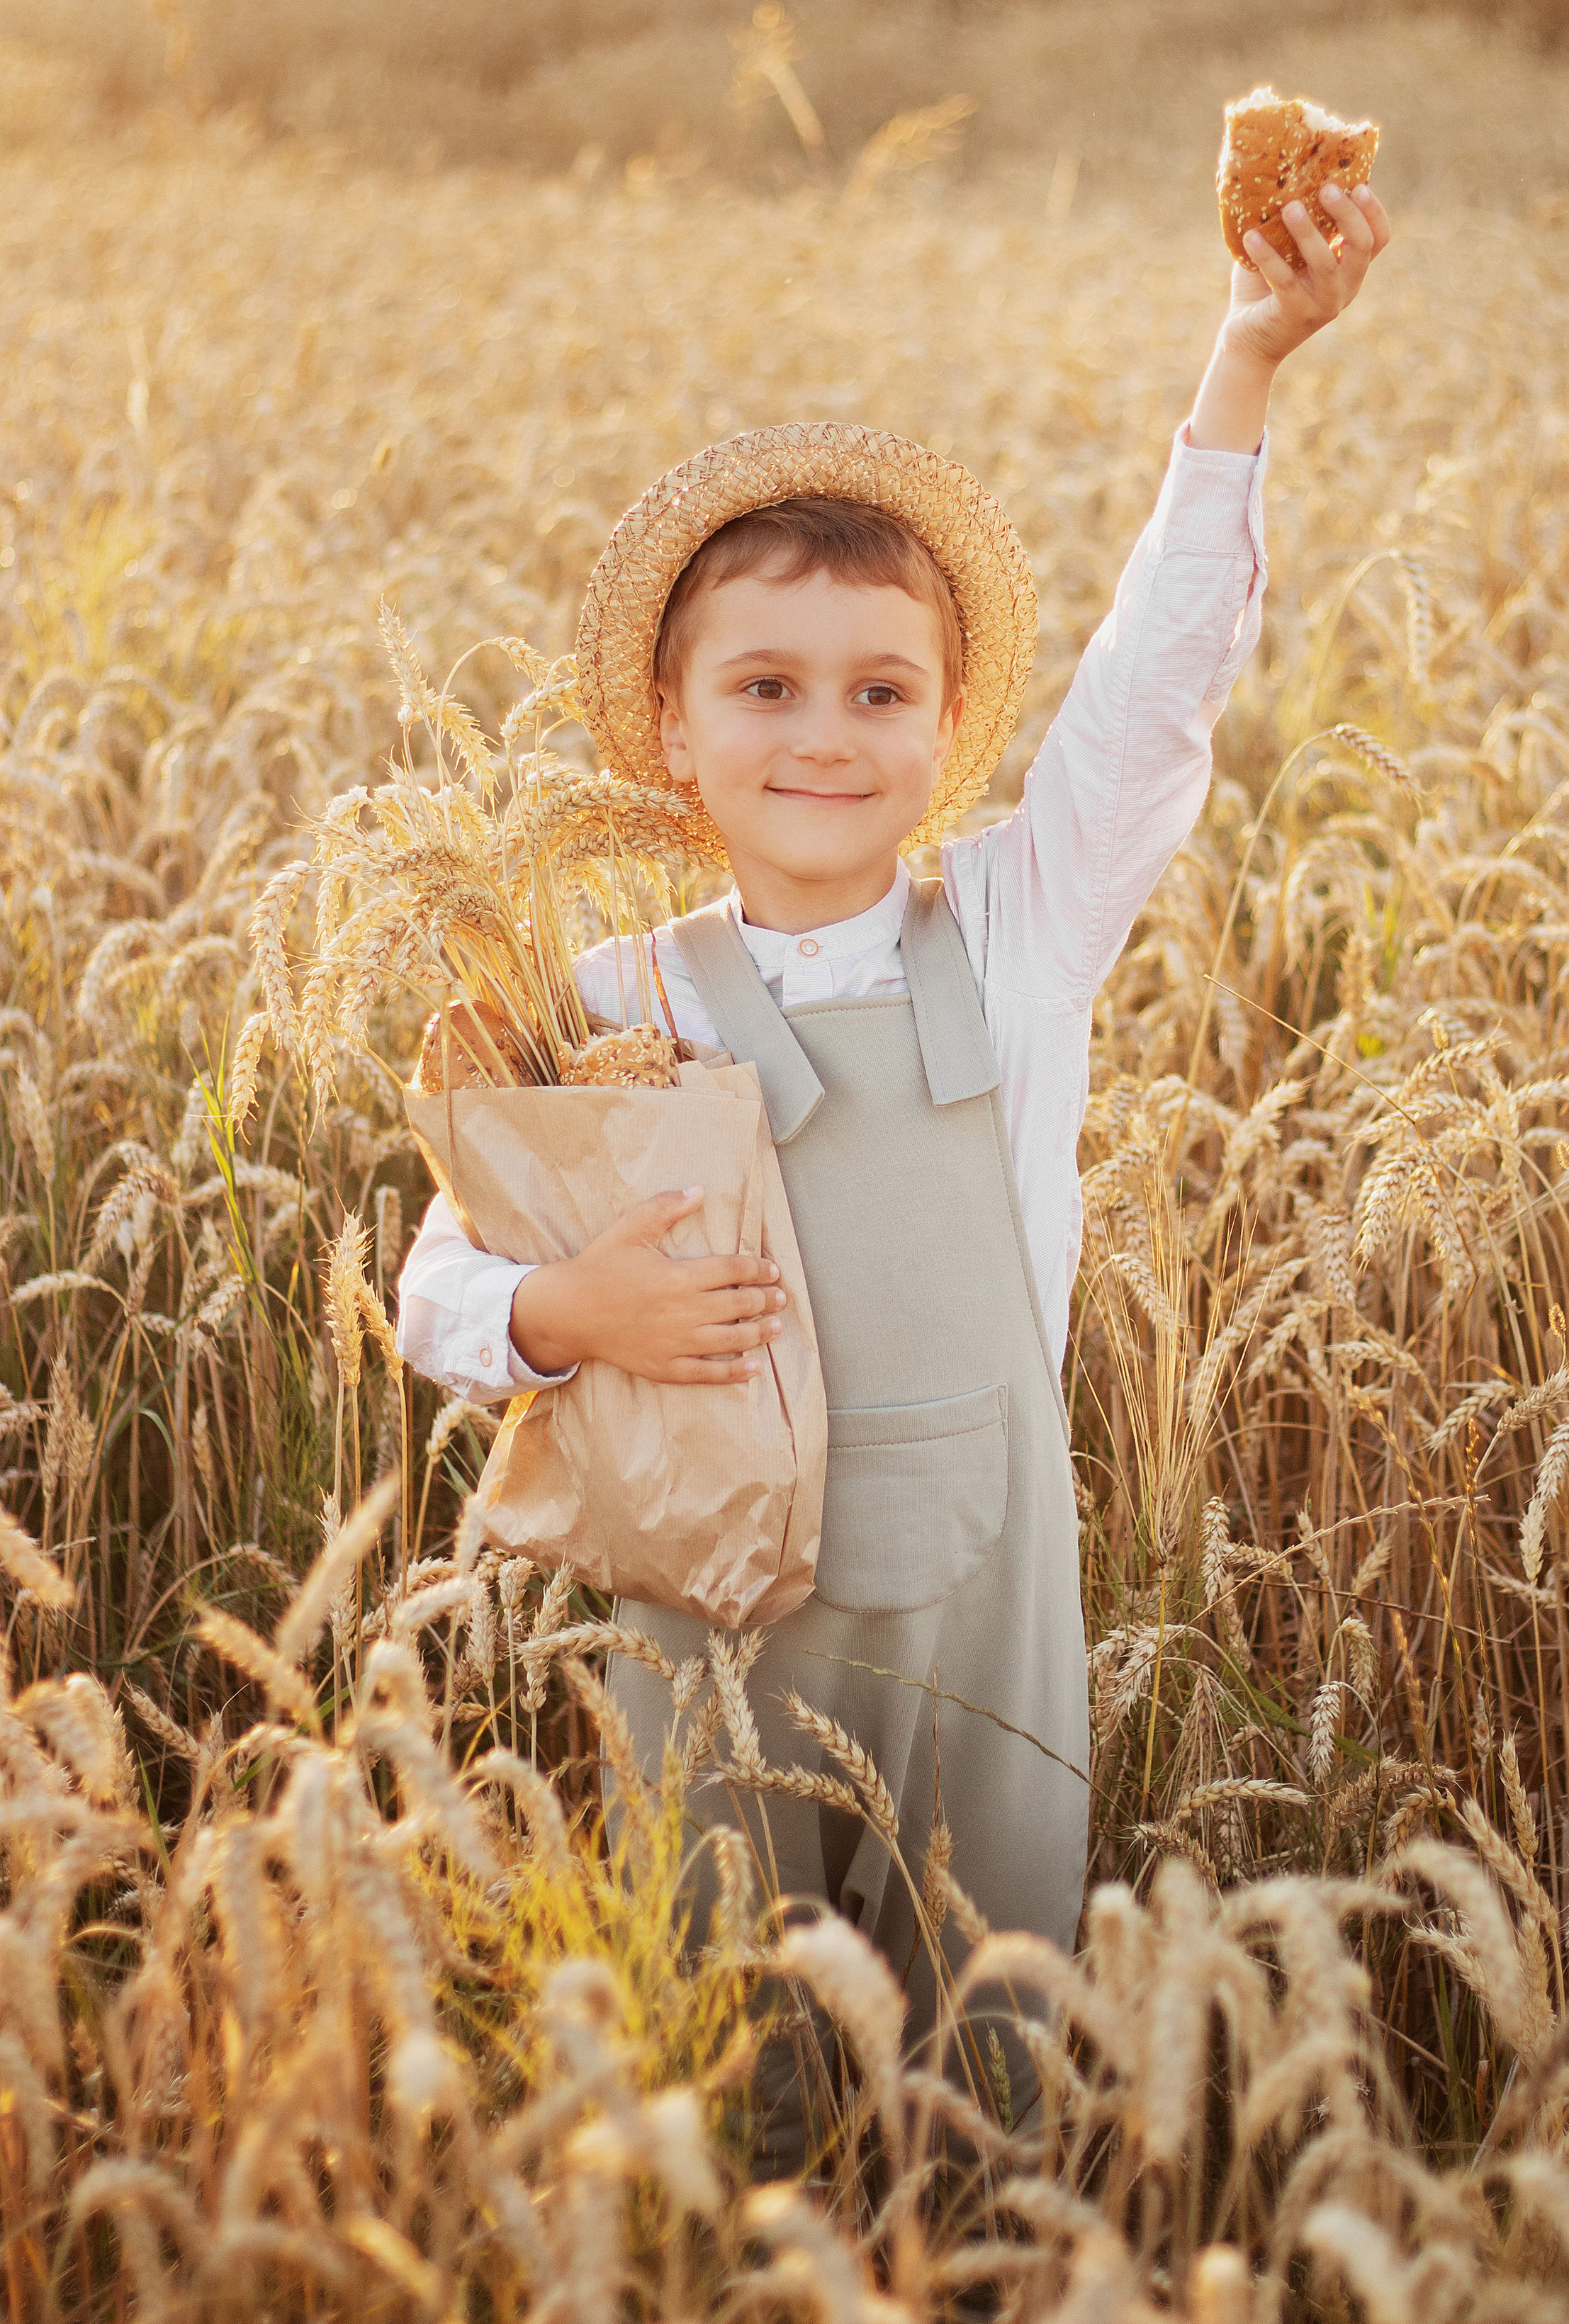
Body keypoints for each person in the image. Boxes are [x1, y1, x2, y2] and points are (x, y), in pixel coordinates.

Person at [395, 180, 1390, 2161]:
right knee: (720, 2036)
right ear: (670, 736)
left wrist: (1247, 360)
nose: (825, 734)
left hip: (981, 1611)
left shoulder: (1018, 933)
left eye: (882, 693)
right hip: (711, 1617)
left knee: (985, 2042)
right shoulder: (609, 1001)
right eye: (765, 689)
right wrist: (562, 1313)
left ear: (951, 730)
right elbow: (436, 1284)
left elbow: (1160, 687)